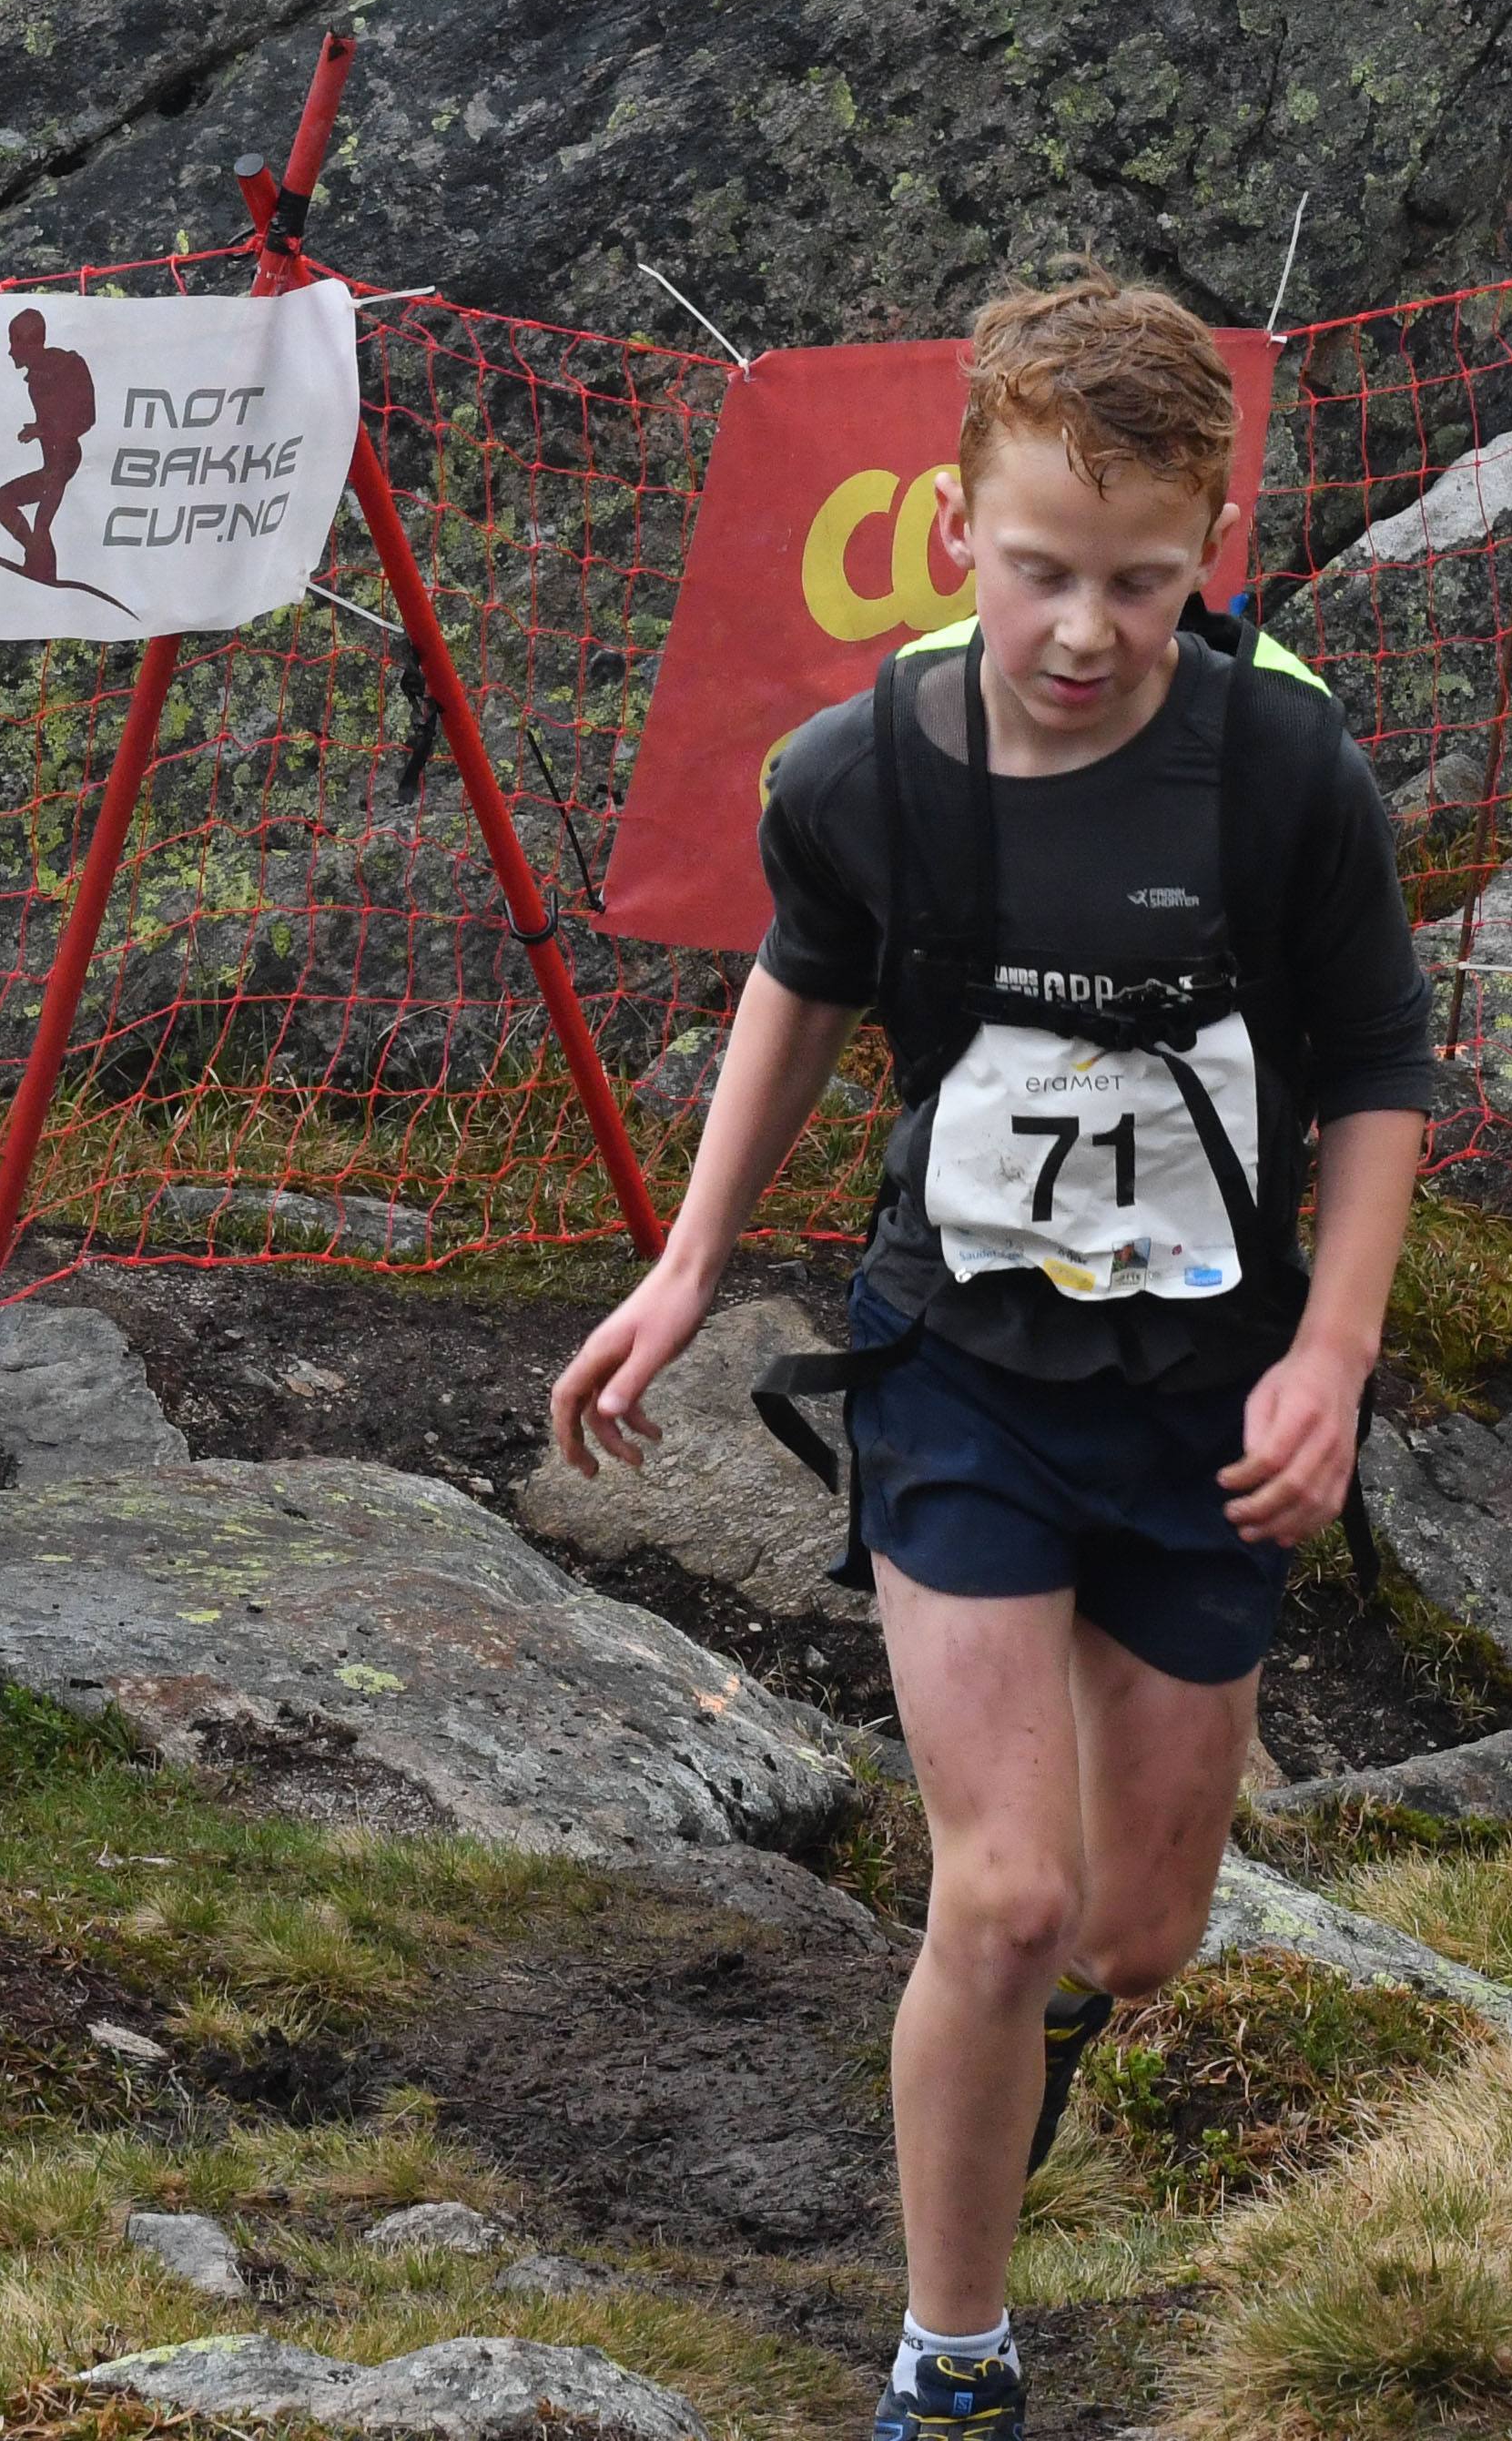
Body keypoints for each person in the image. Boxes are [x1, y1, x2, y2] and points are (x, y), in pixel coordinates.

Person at [549, 276, 1438, 2440]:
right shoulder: (867, 769)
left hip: (1210, 1390)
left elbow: (1378, 1065)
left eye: (1137, 581)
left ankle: (1029, 2022)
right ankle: (952, 2351)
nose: (1083, 628)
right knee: (1009, 1888)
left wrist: (1332, 1354)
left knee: (1136, 1930)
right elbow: (803, 980)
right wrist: (688, 1264)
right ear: (954, 526)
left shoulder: (1282, 774)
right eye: (1039, 569)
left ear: (1211, 549)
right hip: (958, 1367)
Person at [0, 304, 97, 585]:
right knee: (2, 503)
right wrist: (41, 430)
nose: (11, 352)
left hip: (64, 461)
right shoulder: (36, 379)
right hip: (52, 462)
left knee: (42, 524)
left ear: (29, 344)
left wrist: (43, 429)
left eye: (14, 343)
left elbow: (85, 418)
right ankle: (37, 559)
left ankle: (42, 568)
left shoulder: (68, 366)